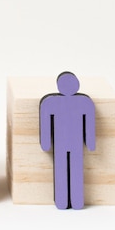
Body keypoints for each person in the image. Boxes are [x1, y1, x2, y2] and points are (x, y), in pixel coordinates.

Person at [39, 71, 95, 209]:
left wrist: (90, 142)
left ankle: (75, 201)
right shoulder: (50, 102)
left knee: (74, 168)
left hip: (72, 142)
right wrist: (45, 142)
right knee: (62, 169)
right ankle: (63, 201)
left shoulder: (84, 102)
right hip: (61, 142)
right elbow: (45, 123)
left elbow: (89, 123)